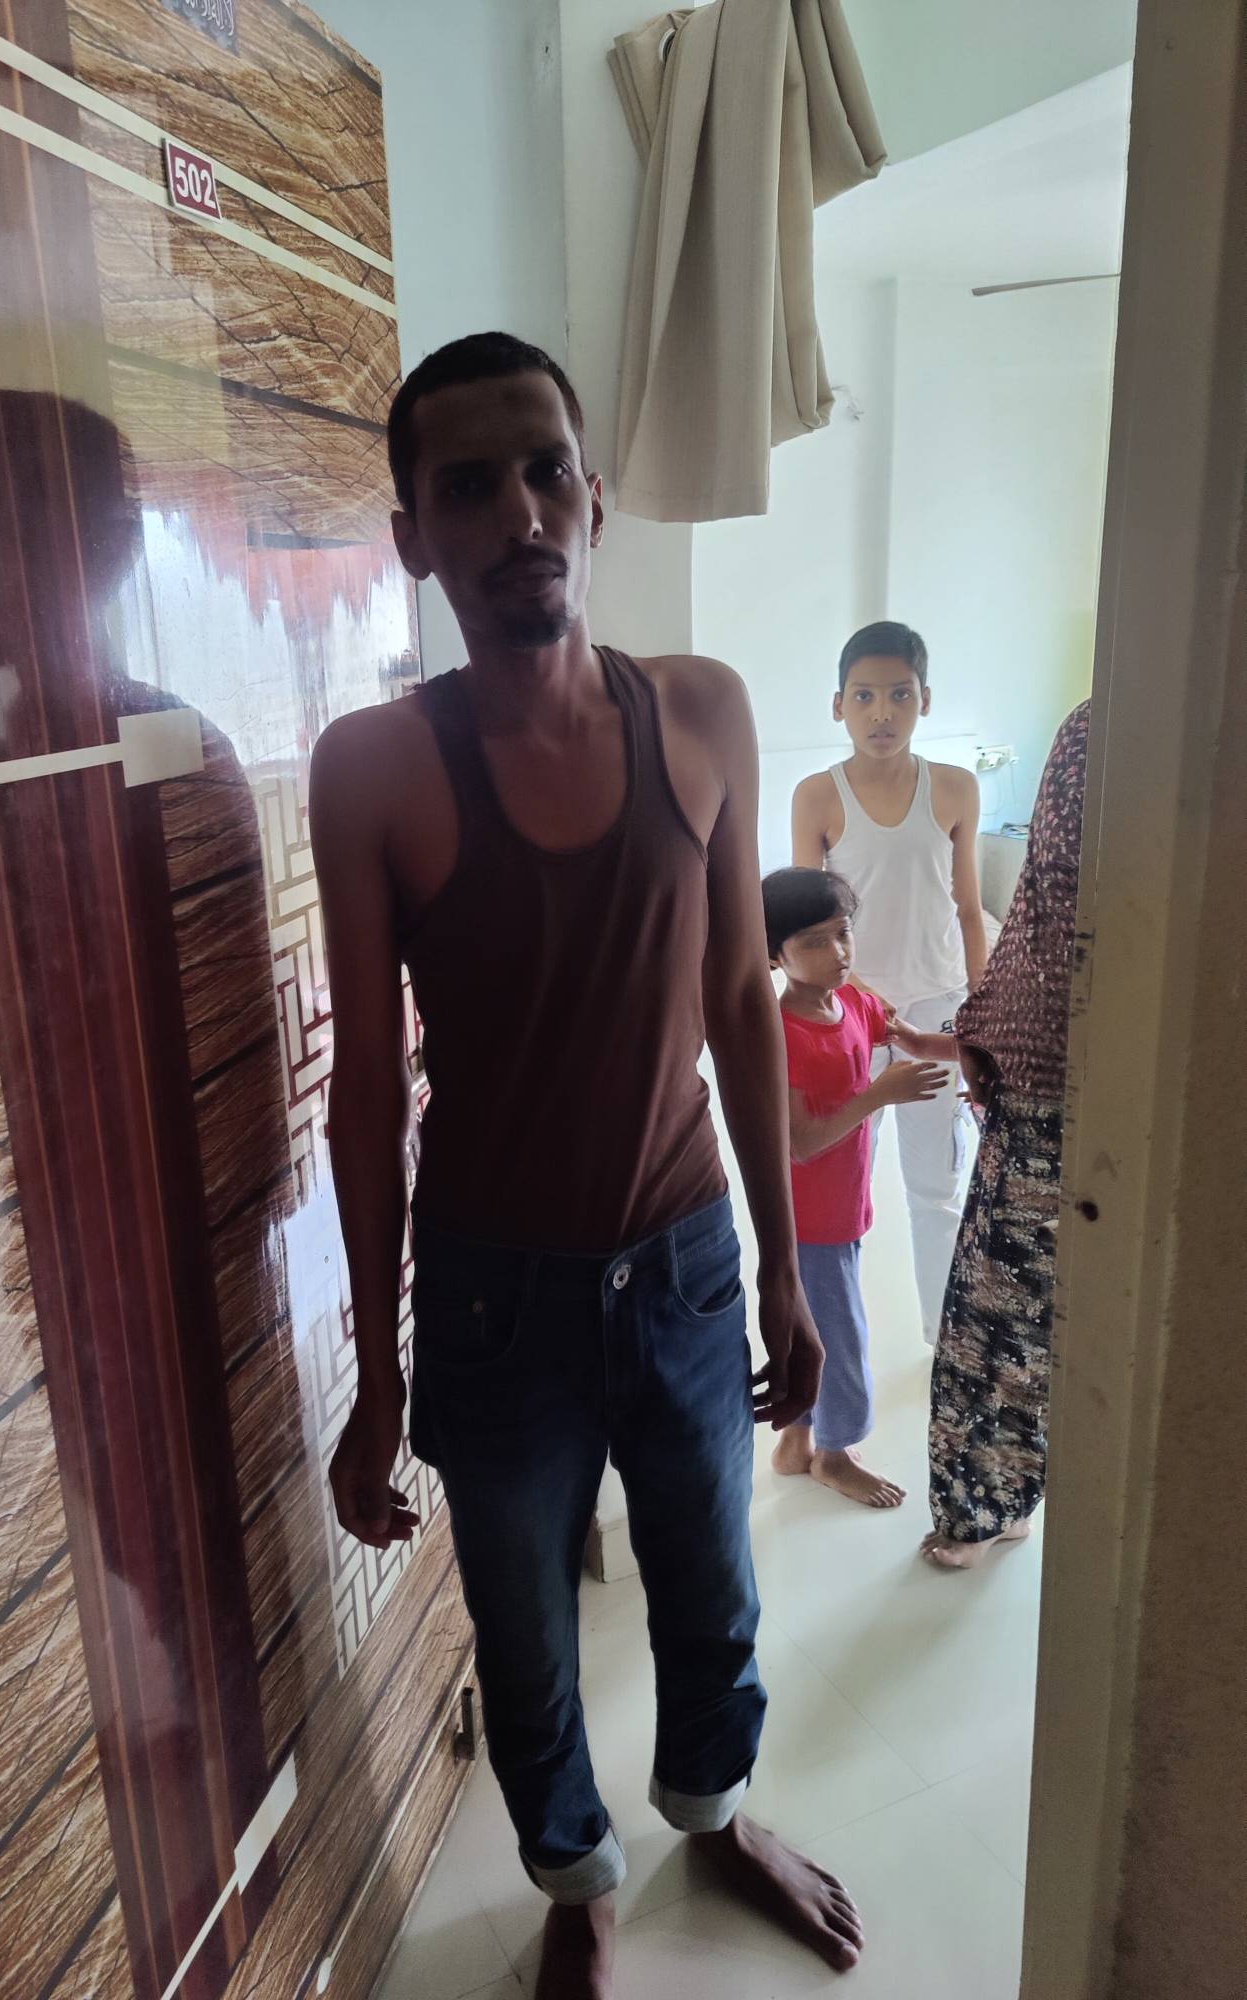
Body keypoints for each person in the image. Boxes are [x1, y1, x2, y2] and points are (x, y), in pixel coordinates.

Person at [309, 332, 863, 1997]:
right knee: (527, 1635)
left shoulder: (701, 710)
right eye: (468, 485)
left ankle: (716, 1816)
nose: (519, 512)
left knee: (711, 1583)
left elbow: (738, 1002)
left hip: (683, 1257)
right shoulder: (376, 768)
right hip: (493, 1295)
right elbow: (363, 1094)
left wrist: (781, 1273)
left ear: (596, 501)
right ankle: (574, 1880)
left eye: (546, 470)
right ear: (414, 536)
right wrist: (377, 1375)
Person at [922, 701, 1091, 1570]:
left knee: (1008, 1312)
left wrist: (987, 1025)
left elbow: (1039, 901)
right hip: (1073, 1070)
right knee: (1025, 1306)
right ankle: (1001, 1503)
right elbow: (1045, 901)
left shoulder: (1106, 725)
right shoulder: (1107, 723)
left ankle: (992, 1503)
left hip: (1057, 1078)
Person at [792, 622, 988, 1348]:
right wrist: (832, 1011)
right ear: (838, 704)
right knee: (841, 1187)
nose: (882, 712)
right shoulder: (817, 796)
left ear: (924, 700)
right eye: (864, 696)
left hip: (938, 1009)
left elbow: (969, 909)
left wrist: (981, 1021)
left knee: (936, 1188)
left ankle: (944, 1339)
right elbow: (807, 924)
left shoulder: (955, 788)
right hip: (850, 1017)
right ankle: (831, 1342)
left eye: (899, 695)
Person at [763, 868, 955, 1509]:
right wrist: (878, 1095)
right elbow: (801, 1142)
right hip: (811, 1218)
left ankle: (795, 1443)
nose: (838, 951)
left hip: (842, 1206)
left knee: (811, 1325)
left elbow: (914, 1040)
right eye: (813, 942)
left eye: (843, 932)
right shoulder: (784, 1033)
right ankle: (835, 1454)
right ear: (775, 955)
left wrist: (977, 1053)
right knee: (839, 1335)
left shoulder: (852, 1002)